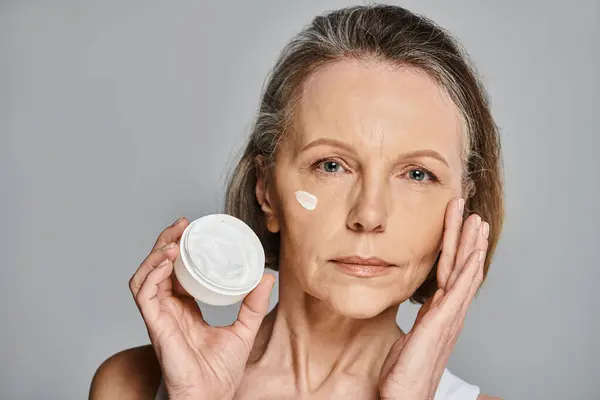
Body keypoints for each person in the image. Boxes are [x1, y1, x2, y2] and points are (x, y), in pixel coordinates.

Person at [90, 4, 504, 399]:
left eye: (417, 174)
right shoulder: (130, 387)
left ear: (463, 207)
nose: (369, 215)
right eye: (331, 166)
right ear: (266, 189)